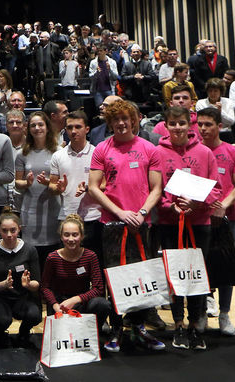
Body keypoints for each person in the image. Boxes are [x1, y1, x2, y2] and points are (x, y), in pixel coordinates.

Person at [86, 99, 165, 353]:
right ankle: (117, 328)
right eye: (115, 119)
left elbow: (157, 189)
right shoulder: (101, 148)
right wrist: (120, 212)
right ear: (109, 123)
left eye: (125, 119)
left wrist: (141, 212)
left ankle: (139, 328)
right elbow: (93, 187)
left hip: (142, 223)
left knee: (143, 277)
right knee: (115, 279)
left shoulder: (149, 148)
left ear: (134, 120)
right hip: (111, 224)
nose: (121, 123)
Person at [153, 106, 217, 351]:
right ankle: (178, 324)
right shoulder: (157, 152)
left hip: (200, 222)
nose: (177, 128)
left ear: (190, 125)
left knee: (197, 277)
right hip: (170, 224)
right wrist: (170, 206)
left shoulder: (205, 152)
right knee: (176, 278)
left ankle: (195, 325)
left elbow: (216, 188)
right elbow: (155, 189)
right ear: (166, 126)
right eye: (173, 123)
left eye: (182, 123)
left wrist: (197, 202)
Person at [196, 108, 235, 335]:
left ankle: (225, 314)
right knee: (201, 268)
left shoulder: (231, 152)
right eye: (200, 124)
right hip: (199, 218)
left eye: (208, 124)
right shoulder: (193, 151)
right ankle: (201, 313)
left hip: (227, 218)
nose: (203, 129)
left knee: (226, 267)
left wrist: (223, 205)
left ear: (219, 126)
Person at [39, 215, 111, 337]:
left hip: (82, 301)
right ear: (61, 237)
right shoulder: (53, 257)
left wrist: (74, 300)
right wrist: (56, 305)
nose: (71, 239)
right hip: (59, 304)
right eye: (66, 235)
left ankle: (92, 333)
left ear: (82, 236)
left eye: (75, 235)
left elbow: (98, 288)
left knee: (102, 304)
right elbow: (45, 287)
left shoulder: (90, 256)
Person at [0, 212, 41, 347]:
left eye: (13, 230)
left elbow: (37, 283)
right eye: (4, 231)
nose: (9, 235)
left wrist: (28, 285)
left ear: (19, 229)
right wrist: (3, 284)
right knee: (1, 320)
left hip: (22, 297)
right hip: (1, 298)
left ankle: (23, 333)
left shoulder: (29, 250)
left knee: (34, 315)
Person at [15, 112, 64, 266]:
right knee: (32, 252)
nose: (37, 128)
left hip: (52, 208)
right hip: (30, 208)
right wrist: (27, 183)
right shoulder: (22, 153)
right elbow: (17, 183)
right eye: (33, 125)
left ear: (47, 127)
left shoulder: (58, 151)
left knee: (53, 250)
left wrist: (48, 182)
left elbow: (61, 183)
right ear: (28, 129)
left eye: (40, 124)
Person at [50, 111, 101, 254]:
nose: (73, 131)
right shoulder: (58, 155)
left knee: (93, 259)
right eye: (69, 127)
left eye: (78, 127)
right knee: (68, 261)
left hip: (93, 216)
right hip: (67, 215)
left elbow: (105, 185)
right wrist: (58, 187)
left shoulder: (97, 153)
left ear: (87, 129)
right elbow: (52, 185)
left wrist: (87, 188)